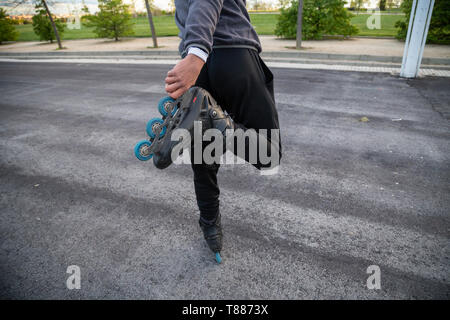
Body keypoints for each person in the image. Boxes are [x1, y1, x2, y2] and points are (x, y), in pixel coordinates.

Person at [163, 0, 281, 261]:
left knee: (203, 158)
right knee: (268, 153)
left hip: (200, 67)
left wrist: (194, 54)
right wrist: (196, 53)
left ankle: (210, 226)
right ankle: (220, 124)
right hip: (231, 56)